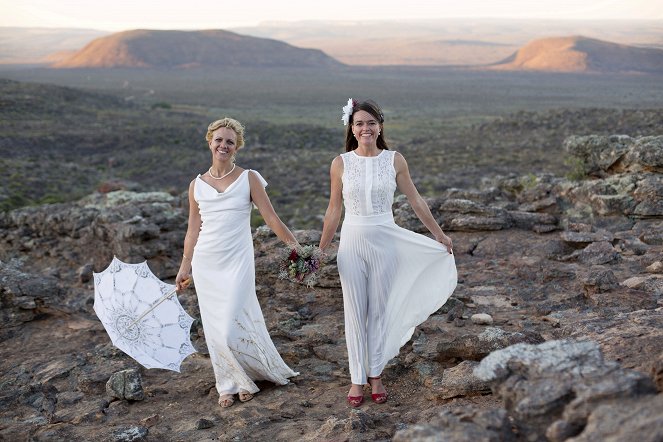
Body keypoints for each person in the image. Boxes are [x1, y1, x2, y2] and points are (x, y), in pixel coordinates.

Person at [319, 99, 457, 407]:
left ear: (380, 126)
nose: (365, 128)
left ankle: (376, 374)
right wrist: (320, 250)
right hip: (352, 242)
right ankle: (357, 379)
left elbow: (416, 200)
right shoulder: (340, 163)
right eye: (359, 124)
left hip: (386, 241)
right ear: (351, 129)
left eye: (370, 123)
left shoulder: (394, 160)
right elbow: (333, 210)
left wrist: (438, 234)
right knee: (354, 313)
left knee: (379, 311)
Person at [175, 117, 298, 408]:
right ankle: (229, 383)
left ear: (237, 146)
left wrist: (297, 248)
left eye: (230, 141)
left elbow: (271, 218)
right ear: (209, 141)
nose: (224, 145)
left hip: (237, 260)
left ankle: (247, 374)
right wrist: (184, 266)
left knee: (233, 321)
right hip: (207, 262)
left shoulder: (249, 178)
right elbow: (193, 229)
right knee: (216, 327)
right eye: (219, 140)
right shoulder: (196, 185)